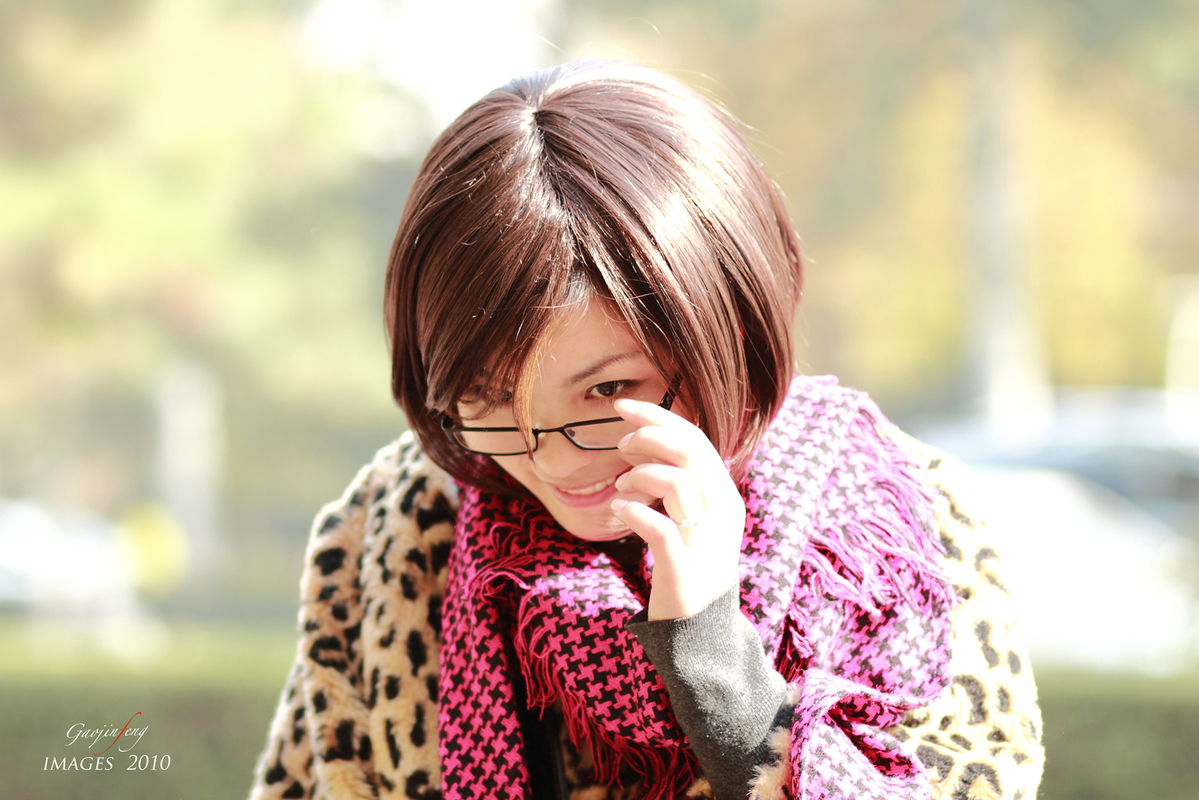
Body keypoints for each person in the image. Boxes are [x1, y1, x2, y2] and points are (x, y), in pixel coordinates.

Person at [248, 60, 1044, 800]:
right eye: (485, 396)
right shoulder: (399, 530)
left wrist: (717, 666)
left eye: (607, 389)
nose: (552, 459)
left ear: (729, 327)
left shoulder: (900, 524)